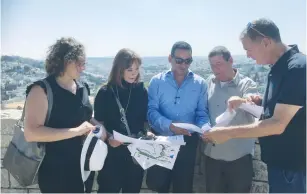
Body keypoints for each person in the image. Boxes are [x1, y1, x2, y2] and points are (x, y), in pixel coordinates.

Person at [203, 18, 306, 193]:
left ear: (266, 42)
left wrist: (226, 133)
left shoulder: (296, 68)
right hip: (280, 163)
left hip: (290, 166)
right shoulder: (278, 67)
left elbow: (277, 124)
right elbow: (280, 109)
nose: (248, 55)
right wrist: (253, 102)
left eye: (248, 49)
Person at [24, 37, 106, 193]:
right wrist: (77, 131)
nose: (82, 68)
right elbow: (31, 133)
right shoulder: (41, 90)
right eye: (78, 63)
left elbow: (84, 118)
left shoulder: (83, 87)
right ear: (63, 61)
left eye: (84, 63)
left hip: (84, 169)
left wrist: (98, 126)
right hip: (56, 173)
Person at [147, 41, 210, 193]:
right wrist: (170, 125)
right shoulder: (157, 81)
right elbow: (151, 112)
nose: (184, 65)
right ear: (170, 58)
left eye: (188, 61)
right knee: (160, 186)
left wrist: (205, 129)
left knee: (183, 188)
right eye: (179, 60)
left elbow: (202, 113)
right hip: (162, 140)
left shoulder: (200, 83)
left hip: (187, 143)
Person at [94, 48, 153, 193]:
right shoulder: (105, 92)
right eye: (129, 69)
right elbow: (97, 123)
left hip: (135, 154)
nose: (134, 73)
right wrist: (108, 137)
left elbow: (145, 120)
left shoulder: (141, 90)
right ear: (119, 69)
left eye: (137, 69)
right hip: (111, 154)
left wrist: (148, 132)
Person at [202, 46, 257, 193]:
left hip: (239, 158)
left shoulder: (247, 84)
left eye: (218, 64)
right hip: (212, 156)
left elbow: (257, 109)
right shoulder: (209, 82)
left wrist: (242, 101)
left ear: (231, 61)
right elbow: (202, 111)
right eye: (212, 65)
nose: (215, 69)